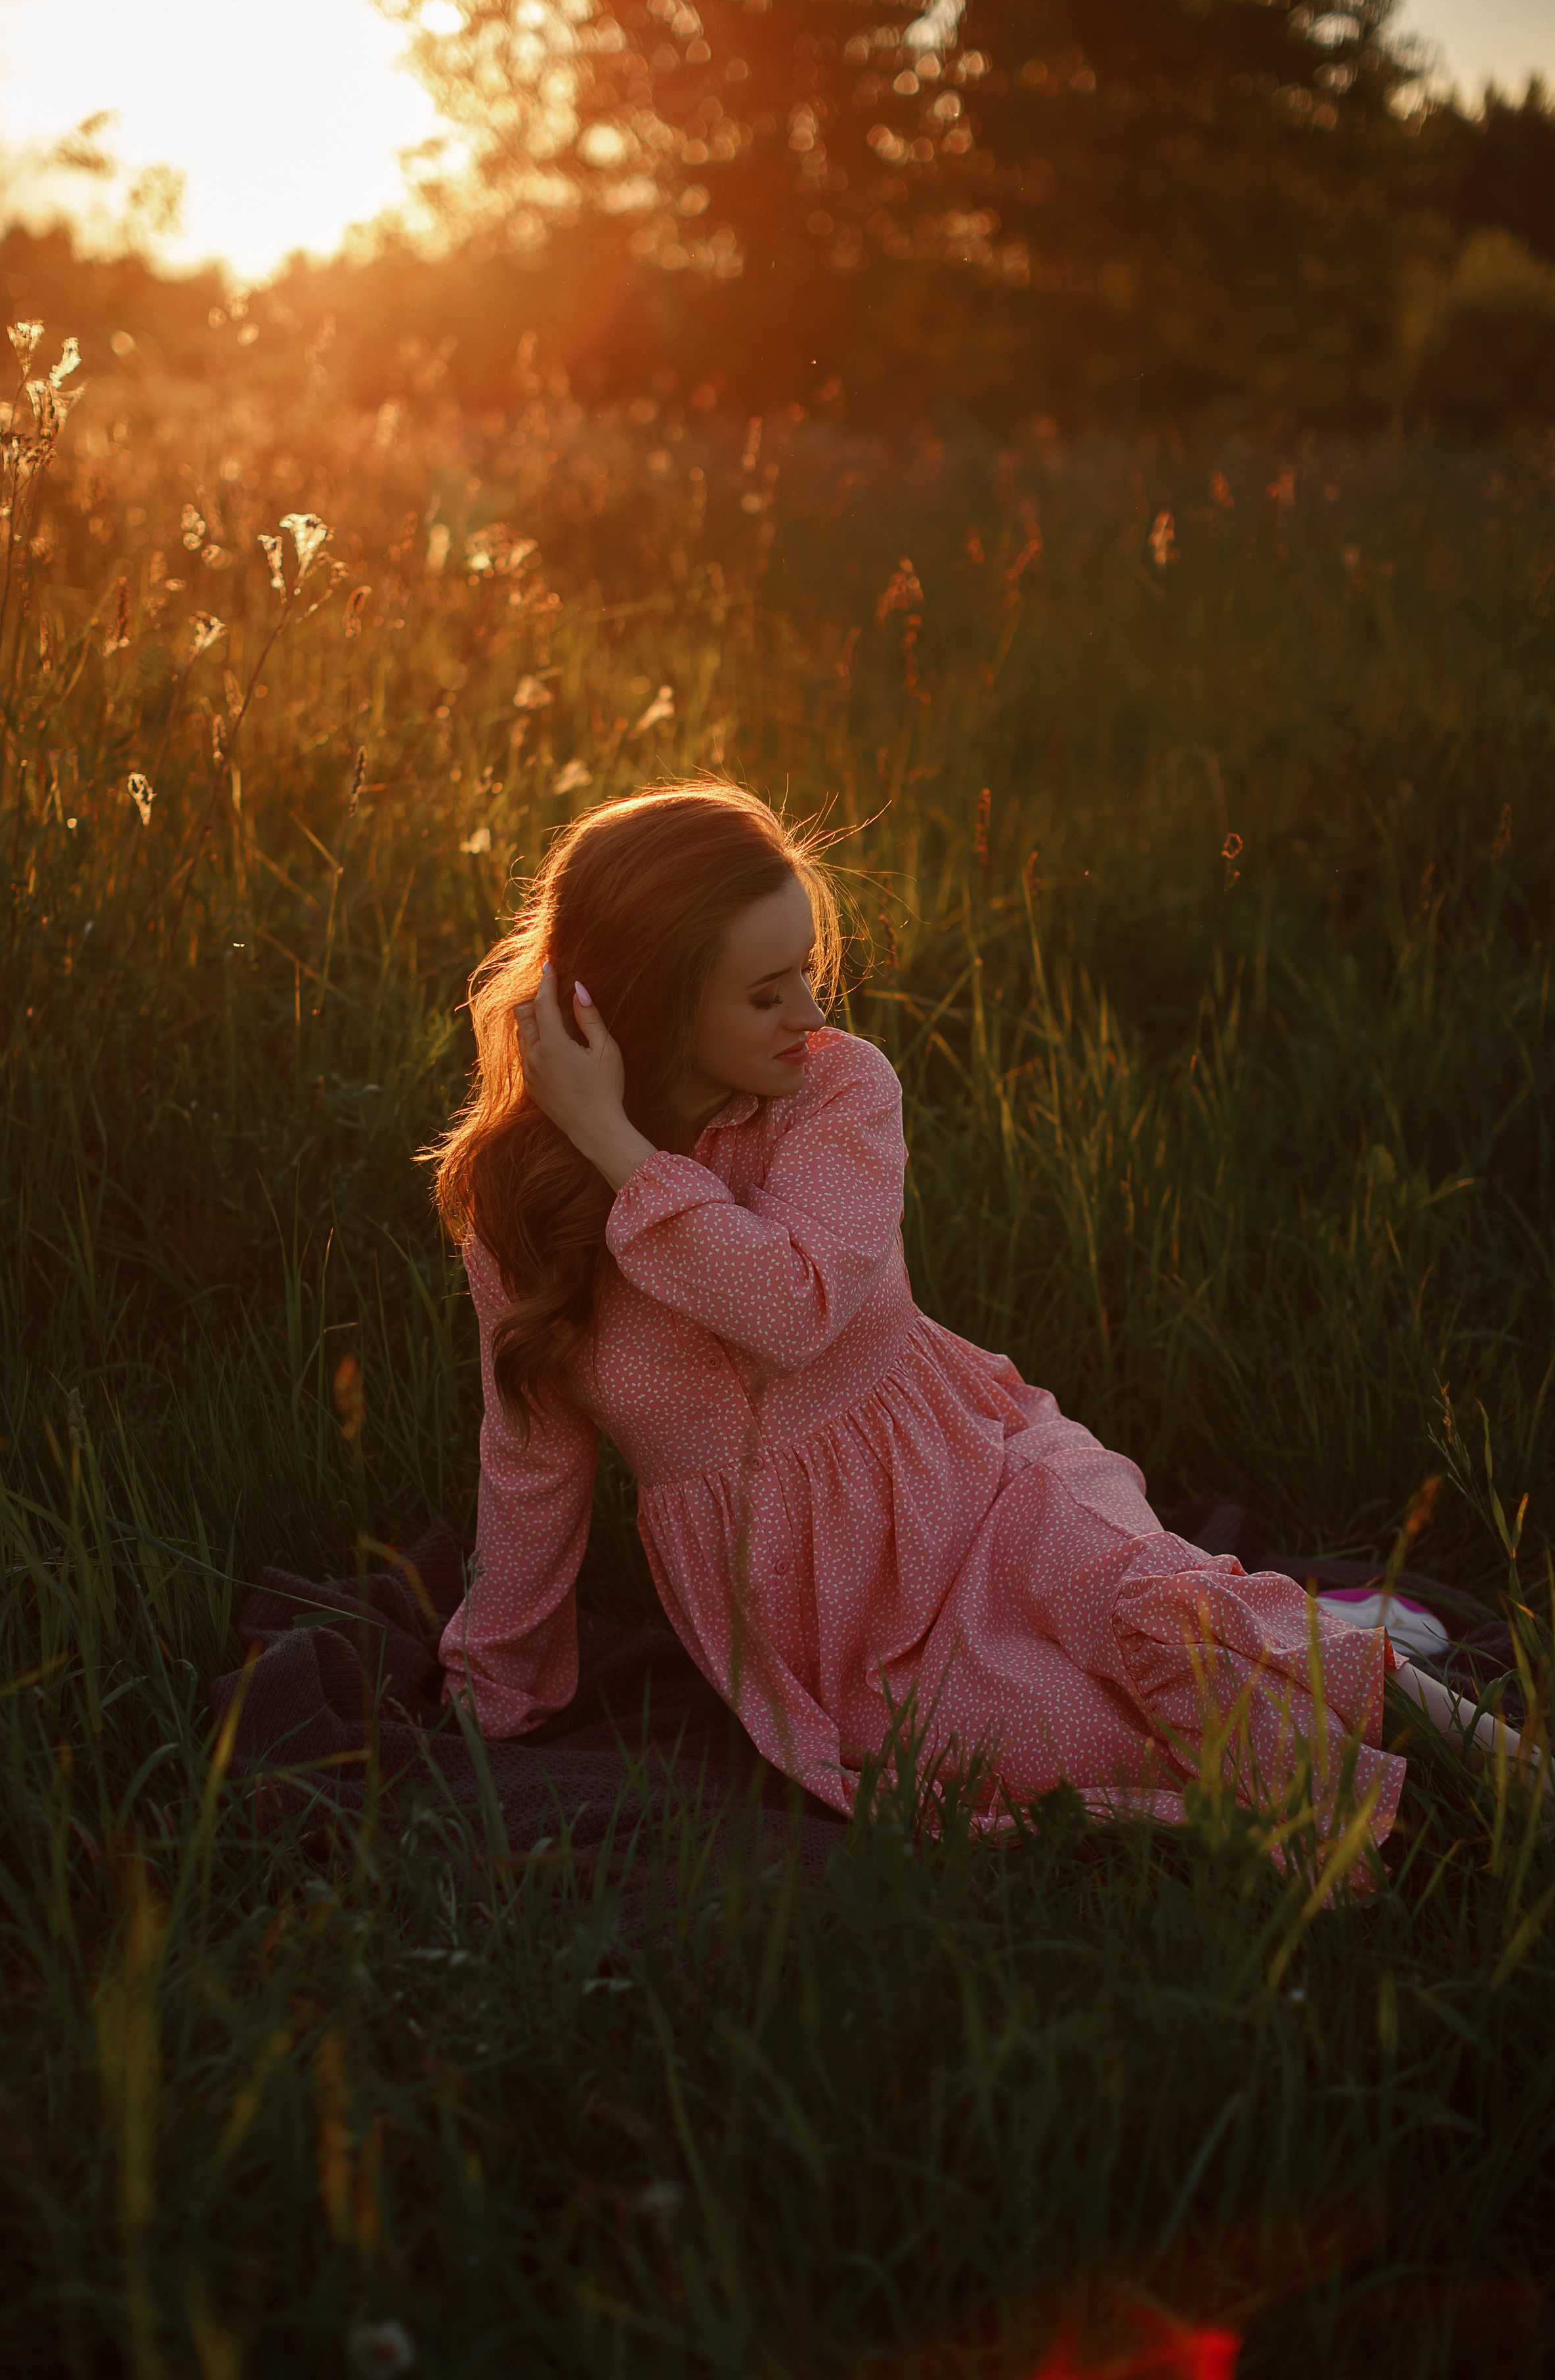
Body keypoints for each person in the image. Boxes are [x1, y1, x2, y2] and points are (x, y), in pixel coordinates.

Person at [432, 783, 1404, 1852]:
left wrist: (619, 1149)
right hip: (827, 1631)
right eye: (766, 993)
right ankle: (1351, 1699)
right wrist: (496, 1698)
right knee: (1062, 1749)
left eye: (806, 970)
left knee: (1165, 1629)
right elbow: (530, 1461)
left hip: (979, 1483)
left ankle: (1461, 1735)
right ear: (647, 1007)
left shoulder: (838, 1095)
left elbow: (791, 1309)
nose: (809, 1012)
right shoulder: (526, 1217)